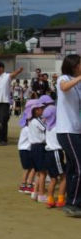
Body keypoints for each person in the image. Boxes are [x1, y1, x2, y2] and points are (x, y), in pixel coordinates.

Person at [55, 54, 81, 217]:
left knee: (73, 168)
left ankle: (70, 201)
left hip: (76, 130)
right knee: (79, 167)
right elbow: (64, 87)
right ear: (73, 66)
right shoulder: (63, 78)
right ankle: (73, 203)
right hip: (66, 130)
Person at [0, 62, 23, 146]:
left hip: (4, 102)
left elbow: (13, 74)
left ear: (1, 68)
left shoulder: (6, 76)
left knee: (3, 120)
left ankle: (4, 140)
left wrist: (19, 70)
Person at [40, 95, 66, 209]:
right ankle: (61, 199)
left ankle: (50, 199)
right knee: (64, 177)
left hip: (48, 153)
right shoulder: (57, 127)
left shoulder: (48, 127)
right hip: (56, 152)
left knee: (53, 179)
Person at [27, 101, 47, 203]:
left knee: (39, 173)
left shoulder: (32, 121)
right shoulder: (36, 121)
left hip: (34, 147)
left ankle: (35, 193)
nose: (43, 110)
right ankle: (41, 194)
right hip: (39, 146)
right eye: (41, 109)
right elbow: (46, 129)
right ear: (36, 110)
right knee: (43, 173)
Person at [17, 99, 38, 194]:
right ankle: (29, 184)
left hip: (23, 149)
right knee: (34, 167)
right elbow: (33, 138)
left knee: (27, 168)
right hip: (27, 149)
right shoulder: (28, 128)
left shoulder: (25, 127)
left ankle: (23, 185)